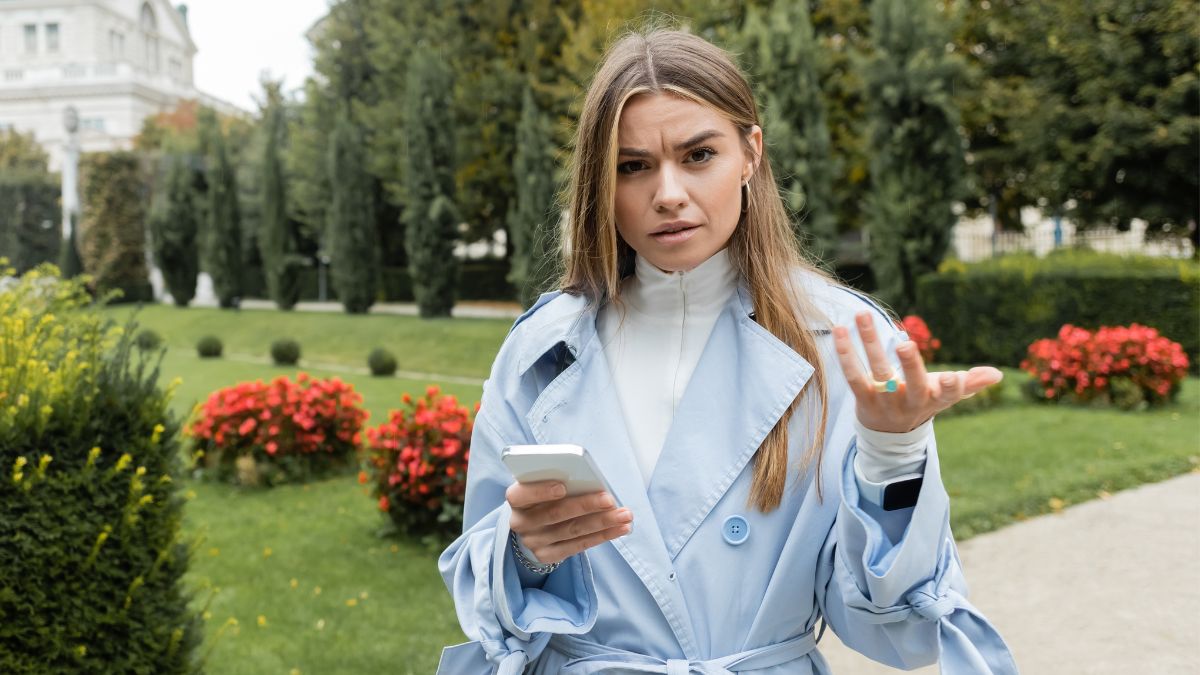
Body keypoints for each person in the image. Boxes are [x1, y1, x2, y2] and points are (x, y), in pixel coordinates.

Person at [437, 27, 1017, 675]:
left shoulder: (847, 342)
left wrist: (893, 454)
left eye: (697, 155)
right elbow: (482, 589)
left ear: (750, 153)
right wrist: (525, 552)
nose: (668, 193)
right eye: (633, 166)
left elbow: (900, 626)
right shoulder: (539, 351)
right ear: (601, 181)